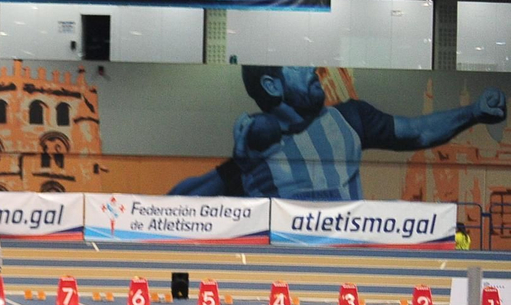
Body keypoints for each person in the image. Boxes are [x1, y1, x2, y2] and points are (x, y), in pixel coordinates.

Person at [171, 66, 505, 200]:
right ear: (272, 85)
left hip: (345, 259)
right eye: (297, 66)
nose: (311, 68)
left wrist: (473, 112)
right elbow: (182, 201)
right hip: (281, 267)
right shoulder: (253, 147)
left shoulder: (349, 118)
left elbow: (416, 133)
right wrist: (240, 170)